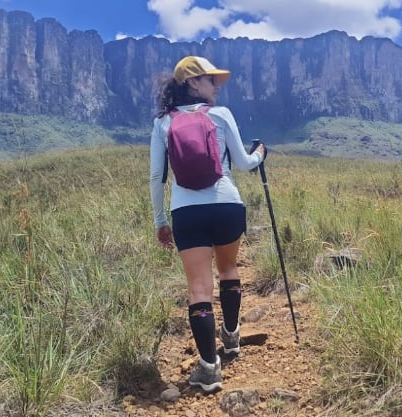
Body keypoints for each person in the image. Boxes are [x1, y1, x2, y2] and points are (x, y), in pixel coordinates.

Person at [149, 56, 266, 393]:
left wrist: (160, 220)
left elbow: (157, 177)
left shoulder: (163, 123)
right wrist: (261, 153)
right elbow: (244, 164)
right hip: (227, 205)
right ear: (192, 83)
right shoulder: (222, 115)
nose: (217, 85)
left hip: (187, 212)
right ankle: (230, 337)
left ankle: (209, 368)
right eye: (210, 79)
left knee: (199, 290)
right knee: (229, 271)